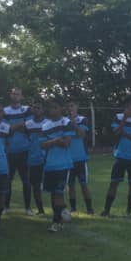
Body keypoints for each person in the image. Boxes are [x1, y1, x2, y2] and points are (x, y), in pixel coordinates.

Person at [101, 96, 131, 217]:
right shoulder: (118, 117)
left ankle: (128, 211)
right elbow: (115, 133)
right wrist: (124, 120)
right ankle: (106, 210)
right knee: (114, 183)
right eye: (129, 105)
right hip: (120, 156)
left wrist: (126, 134)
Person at [40, 100, 74, 233]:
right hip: (50, 164)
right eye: (50, 108)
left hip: (63, 164)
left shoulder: (66, 122)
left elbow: (66, 143)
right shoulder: (45, 125)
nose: (52, 110)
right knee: (54, 194)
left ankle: (56, 222)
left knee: (59, 193)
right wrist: (56, 140)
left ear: (61, 108)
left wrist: (52, 141)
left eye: (55, 107)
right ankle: (62, 215)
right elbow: (42, 145)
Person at [3, 87, 33, 214]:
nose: (15, 96)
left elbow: (29, 125)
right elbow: (4, 128)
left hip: (24, 149)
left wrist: (12, 127)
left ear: (22, 96)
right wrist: (20, 126)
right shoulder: (5, 110)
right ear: (11, 95)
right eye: (14, 94)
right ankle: (6, 207)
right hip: (9, 150)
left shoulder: (27, 109)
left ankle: (28, 208)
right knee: (7, 180)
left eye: (18, 94)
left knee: (26, 180)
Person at [66, 100, 94, 215]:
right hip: (68, 159)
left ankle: (90, 209)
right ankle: (73, 208)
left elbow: (81, 134)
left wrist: (73, 122)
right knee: (70, 185)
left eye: (72, 105)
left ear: (77, 106)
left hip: (80, 158)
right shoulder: (64, 121)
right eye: (68, 106)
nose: (70, 108)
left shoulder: (83, 119)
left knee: (83, 184)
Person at [24, 101, 48, 216]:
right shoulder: (28, 124)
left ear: (43, 110)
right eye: (34, 108)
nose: (36, 110)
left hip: (48, 158)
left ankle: (60, 209)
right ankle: (41, 210)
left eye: (38, 108)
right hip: (34, 159)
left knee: (53, 186)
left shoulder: (48, 123)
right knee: (36, 185)